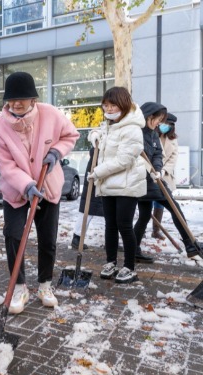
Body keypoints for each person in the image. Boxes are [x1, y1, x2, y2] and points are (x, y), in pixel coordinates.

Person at [0, 72, 78, 314]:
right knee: (14, 236)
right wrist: (26, 185)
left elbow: (71, 135)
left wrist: (57, 152)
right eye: (11, 99)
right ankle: (19, 287)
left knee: (48, 239)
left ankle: (44, 286)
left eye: (23, 98)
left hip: (48, 186)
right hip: (16, 190)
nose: (16, 103)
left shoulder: (50, 113)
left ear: (33, 98)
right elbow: (6, 165)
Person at [87, 87, 146, 283]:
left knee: (124, 226)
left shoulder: (132, 128)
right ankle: (111, 261)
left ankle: (129, 266)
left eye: (113, 105)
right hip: (108, 184)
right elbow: (98, 131)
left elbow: (124, 161)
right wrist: (94, 136)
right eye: (106, 105)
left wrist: (97, 173)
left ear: (123, 104)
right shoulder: (109, 125)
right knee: (110, 225)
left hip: (127, 184)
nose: (109, 108)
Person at [133, 103, 202, 261]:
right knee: (174, 208)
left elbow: (158, 154)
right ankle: (190, 245)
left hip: (155, 178)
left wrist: (158, 169)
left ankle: (134, 250)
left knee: (144, 216)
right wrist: (150, 171)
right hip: (144, 181)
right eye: (158, 119)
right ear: (148, 116)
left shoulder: (152, 133)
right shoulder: (137, 132)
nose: (159, 123)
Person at [150, 113, 178, 240]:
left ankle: (156, 230)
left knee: (160, 203)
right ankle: (138, 231)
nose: (164, 126)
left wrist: (163, 171)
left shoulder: (173, 140)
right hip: (150, 173)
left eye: (167, 124)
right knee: (146, 203)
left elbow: (173, 158)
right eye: (163, 123)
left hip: (164, 175)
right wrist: (154, 170)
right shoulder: (151, 135)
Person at [70, 147, 104, 250]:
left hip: (103, 180)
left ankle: (112, 240)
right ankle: (77, 238)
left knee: (111, 211)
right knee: (87, 210)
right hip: (93, 181)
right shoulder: (98, 148)